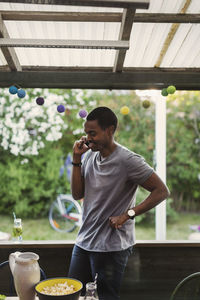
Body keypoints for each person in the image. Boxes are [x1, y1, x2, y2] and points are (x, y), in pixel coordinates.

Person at [68, 106, 170, 300]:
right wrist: (76, 159)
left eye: (92, 133)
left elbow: (162, 191)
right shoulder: (88, 156)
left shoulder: (128, 160)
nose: (87, 139)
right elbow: (76, 194)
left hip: (111, 248)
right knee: (71, 295)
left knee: (106, 297)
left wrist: (128, 214)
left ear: (110, 130)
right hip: (83, 243)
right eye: (86, 134)